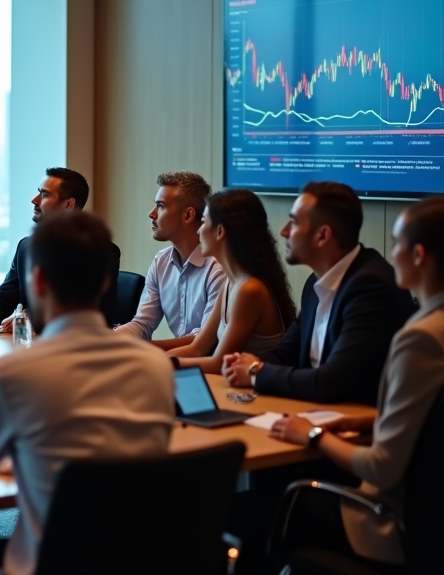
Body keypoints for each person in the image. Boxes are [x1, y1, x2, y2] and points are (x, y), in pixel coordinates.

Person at [0, 211, 174, 575]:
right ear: (107, 282)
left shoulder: (15, 374)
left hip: (48, 563)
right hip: (139, 559)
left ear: (39, 282)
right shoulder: (156, 368)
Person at [264, 196, 444, 568]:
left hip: (396, 523)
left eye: (396, 244)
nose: (389, 255)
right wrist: (364, 420)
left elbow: (381, 468)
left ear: (420, 255)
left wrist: (312, 435)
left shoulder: (422, 338)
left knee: (267, 506)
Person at [223, 181, 414, 404]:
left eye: (293, 223)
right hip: (315, 411)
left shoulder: (370, 287)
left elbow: (331, 382)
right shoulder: (316, 281)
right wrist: (244, 363)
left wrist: (256, 372)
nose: (284, 231)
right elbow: (286, 353)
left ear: (322, 236)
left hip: (358, 424)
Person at [0, 167, 121, 327]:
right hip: (28, 346)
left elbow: (91, 310)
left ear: (68, 204)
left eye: (44, 194)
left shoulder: (101, 251)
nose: (34, 200)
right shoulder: (26, 247)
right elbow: (4, 298)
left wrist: (29, 317)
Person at [169, 189, 294, 373]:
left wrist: (161, 363)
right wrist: (154, 358)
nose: (198, 230)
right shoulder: (232, 281)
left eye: (203, 222)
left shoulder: (249, 289)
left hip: (260, 396)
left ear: (220, 231)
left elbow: (219, 363)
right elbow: (198, 348)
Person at [114, 171, 225, 348]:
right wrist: (110, 337)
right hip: (181, 360)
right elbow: (143, 324)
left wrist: (142, 347)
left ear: (188, 215)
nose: (151, 214)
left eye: (160, 206)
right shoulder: (161, 261)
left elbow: (205, 342)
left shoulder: (218, 269)